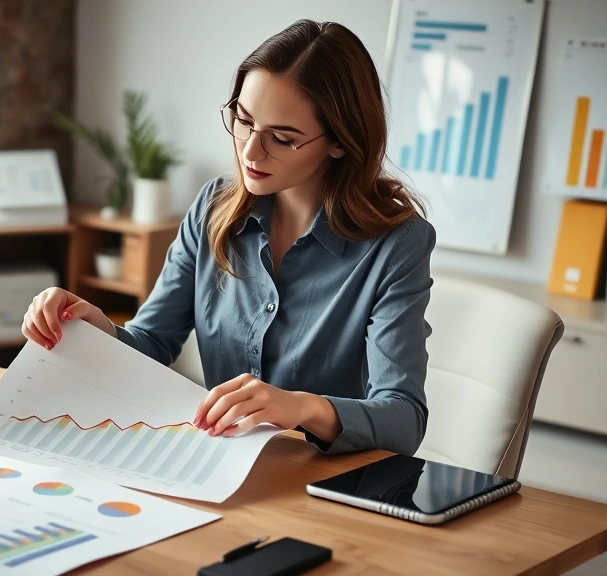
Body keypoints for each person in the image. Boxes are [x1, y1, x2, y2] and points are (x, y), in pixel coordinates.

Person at [22, 20, 434, 456]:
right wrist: (95, 328)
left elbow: (404, 419)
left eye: (281, 138)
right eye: (243, 120)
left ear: (339, 142)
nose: (250, 152)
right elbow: (153, 341)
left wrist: (300, 407)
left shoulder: (397, 244)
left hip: (319, 483)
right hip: (216, 463)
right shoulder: (212, 208)